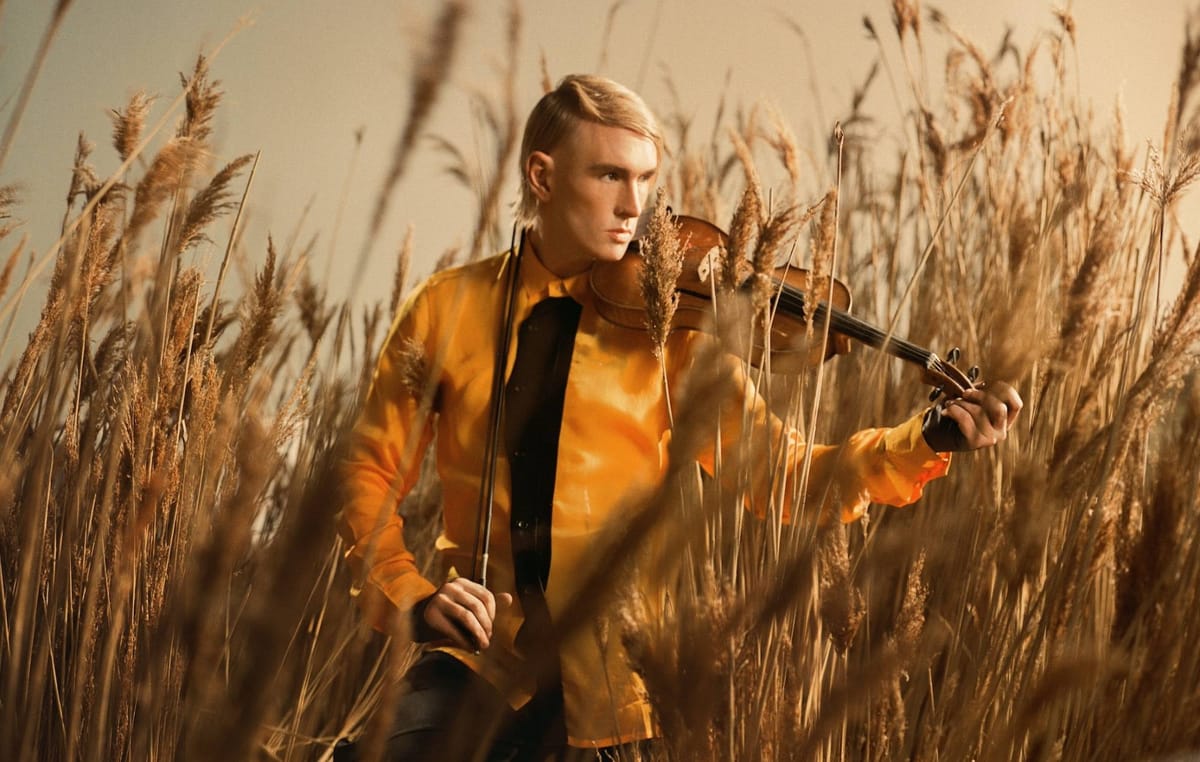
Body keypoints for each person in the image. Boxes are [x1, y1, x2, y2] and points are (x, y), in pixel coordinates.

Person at [335, 73, 1022, 761]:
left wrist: (922, 440)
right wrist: (413, 598)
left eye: (645, 178)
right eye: (609, 175)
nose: (634, 205)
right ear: (542, 177)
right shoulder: (446, 308)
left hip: (614, 691)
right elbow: (366, 474)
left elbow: (786, 476)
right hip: (479, 665)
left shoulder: (670, 332)